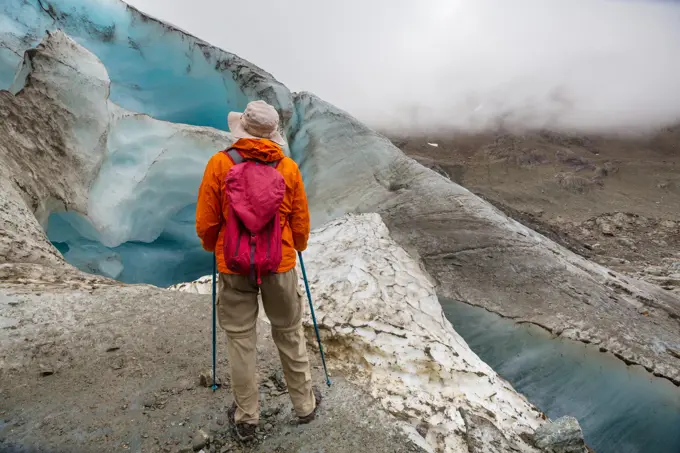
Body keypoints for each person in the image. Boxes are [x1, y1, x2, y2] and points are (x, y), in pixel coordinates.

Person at [195, 100, 320, 441]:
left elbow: (207, 222)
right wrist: (296, 246)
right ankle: (305, 405)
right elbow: (301, 223)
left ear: (243, 129)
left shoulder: (220, 164)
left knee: (240, 340)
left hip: (234, 265)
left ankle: (247, 417)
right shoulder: (288, 168)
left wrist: (217, 248)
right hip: (278, 264)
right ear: (273, 135)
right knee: (289, 333)